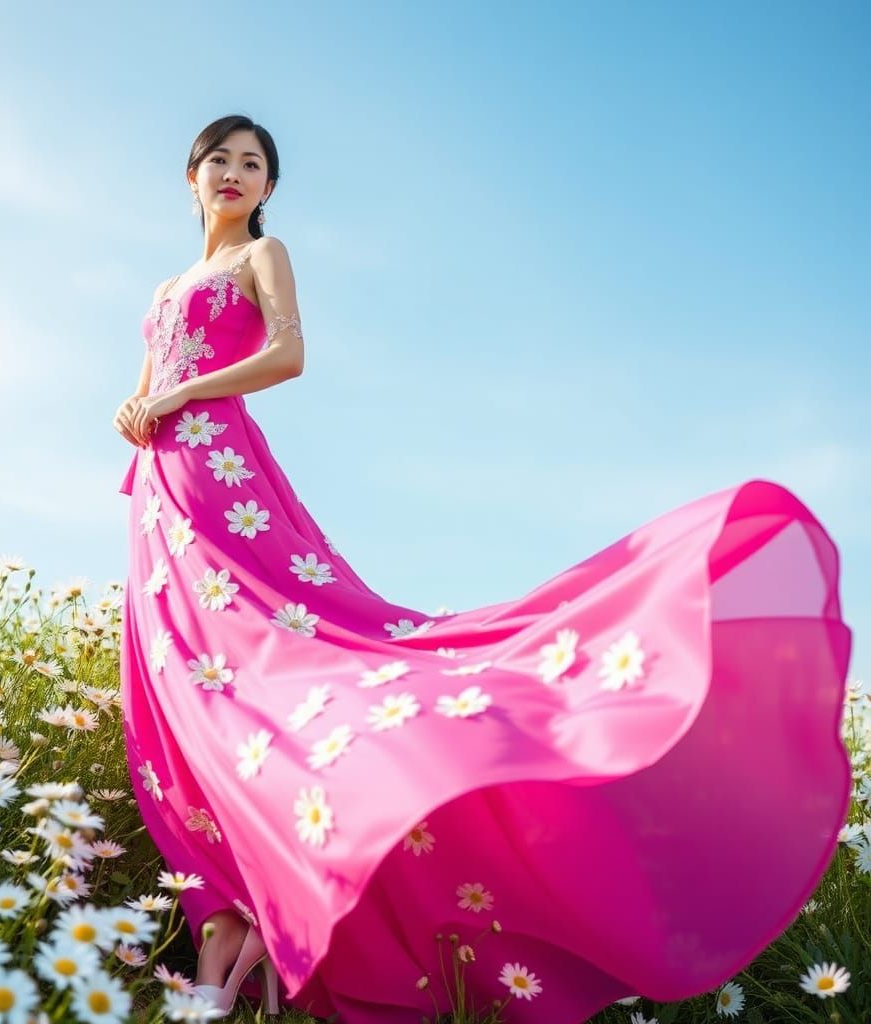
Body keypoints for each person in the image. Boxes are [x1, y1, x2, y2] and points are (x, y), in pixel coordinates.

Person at [115, 114, 853, 1024]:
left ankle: (289, 891)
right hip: (160, 490)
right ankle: (230, 911)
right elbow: (147, 383)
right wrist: (141, 403)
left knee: (276, 656)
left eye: (253, 164)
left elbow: (290, 353)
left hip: (223, 471)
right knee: (183, 690)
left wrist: (182, 393)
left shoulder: (261, 259)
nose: (233, 172)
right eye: (218, 159)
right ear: (190, 177)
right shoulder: (164, 285)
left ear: (268, 189)